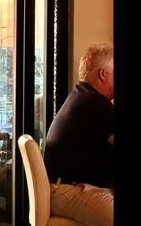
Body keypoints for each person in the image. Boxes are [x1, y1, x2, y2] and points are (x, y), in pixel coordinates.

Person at [43, 44, 114, 225]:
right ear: (103, 73)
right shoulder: (96, 103)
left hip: (62, 188)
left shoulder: (81, 96)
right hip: (72, 191)